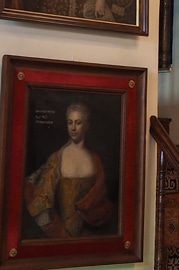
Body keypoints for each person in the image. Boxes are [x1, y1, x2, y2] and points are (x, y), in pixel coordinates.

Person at [24, 102, 114, 238]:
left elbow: (101, 198)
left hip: (90, 236)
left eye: (78, 123)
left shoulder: (95, 159)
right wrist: (59, 232)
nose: (73, 128)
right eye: (69, 122)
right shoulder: (56, 158)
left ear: (86, 126)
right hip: (61, 235)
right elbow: (41, 199)